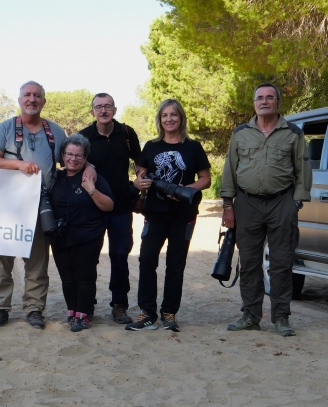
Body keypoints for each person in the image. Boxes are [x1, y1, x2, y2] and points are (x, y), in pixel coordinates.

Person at [0, 80, 81, 330]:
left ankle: (34, 309)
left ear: (44, 101)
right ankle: (0, 308)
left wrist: (89, 169)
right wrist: (18, 164)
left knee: (37, 260)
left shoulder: (56, 132)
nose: (32, 99)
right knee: (1, 258)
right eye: (27, 94)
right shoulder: (6, 128)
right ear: (19, 100)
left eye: (37, 95)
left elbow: (72, 158)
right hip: (6, 204)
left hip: (41, 205)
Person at [221, 83, 311, 337]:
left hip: (281, 202)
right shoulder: (240, 134)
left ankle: (281, 317)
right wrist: (228, 205)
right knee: (249, 263)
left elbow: (303, 169)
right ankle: (250, 315)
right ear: (253, 103)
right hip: (246, 203)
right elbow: (229, 169)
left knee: (281, 263)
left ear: (278, 102)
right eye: (259, 98)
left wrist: (296, 202)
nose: (264, 101)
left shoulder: (292, 133)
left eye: (270, 97)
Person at [126, 99, 210, 332]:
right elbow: (141, 176)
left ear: (181, 118)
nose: (169, 119)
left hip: (183, 214)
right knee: (147, 261)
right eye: (165, 115)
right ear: (159, 119)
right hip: (155, 212)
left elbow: (206, 179)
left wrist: (185, 191)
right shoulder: (151, 147)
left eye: (174, 114)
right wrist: (138, 182)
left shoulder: (193, 146)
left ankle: (169, 313)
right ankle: (147, 313)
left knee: (176, 264)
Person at [79, 92, 141, 325]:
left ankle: (119, 305)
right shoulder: (83, 136)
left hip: (122, 207)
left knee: (119, 257)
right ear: (92, 111)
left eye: (108, 106)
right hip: (92, 207)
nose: (103, 111)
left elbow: (140, 162)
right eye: (98, 107)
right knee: (89, 257)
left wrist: (139, 182)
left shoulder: (126, 133)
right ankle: (87, 305)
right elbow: (71, 162)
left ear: (115, 110)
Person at [49, 134, 114, 332]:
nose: (73, 159)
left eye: (79, 155)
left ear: (85, 157)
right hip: (60, 237)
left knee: (84, 277)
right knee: (67, 278)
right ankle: (72, 311)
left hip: (87, 236)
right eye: (69, 154)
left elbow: (109, 206)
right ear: (62, 155)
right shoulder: (55, 177)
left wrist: (92, 190)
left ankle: (84, 315)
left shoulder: (91, 178)